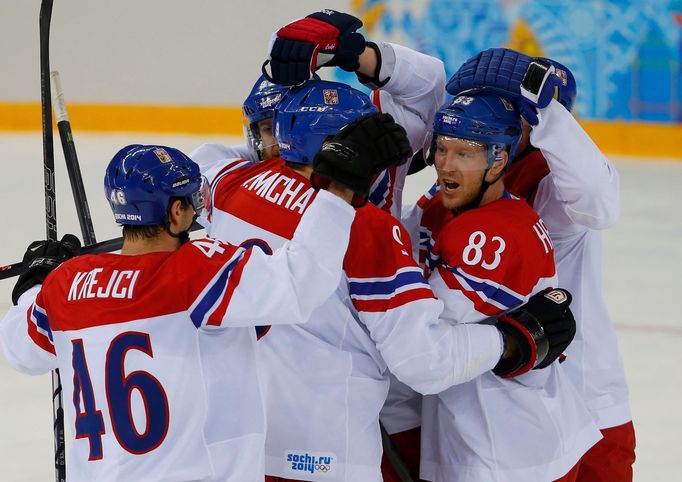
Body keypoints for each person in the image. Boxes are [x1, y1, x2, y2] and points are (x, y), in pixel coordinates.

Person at [194, 76, 576, 482]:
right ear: (340, 148)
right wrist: (513, 339)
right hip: (324, 451)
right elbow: (423, 362)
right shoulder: (365, 227)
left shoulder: (232, 183)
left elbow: (203, 161)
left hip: (236, 440)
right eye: (363, 137)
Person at [0, 136, 399, 482]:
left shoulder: (69, 284)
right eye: (192, 201)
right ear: (176, 213)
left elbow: (21, 351)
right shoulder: (194, 273)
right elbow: (302, 280)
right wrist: (338, 196)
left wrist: (35, 282)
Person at [448, 47, 636, 480]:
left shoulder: (555, 182)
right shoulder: (466, 180)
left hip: (587, 403)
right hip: (504, 411)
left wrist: (546, 110)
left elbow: (598, 203)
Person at [406, 94, 602, 482]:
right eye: (442, 149)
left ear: (498, 160)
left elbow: (418, 341)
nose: (445, 163)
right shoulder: (443, 204)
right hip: (493, 436)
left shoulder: (496, 234)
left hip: (507, 449)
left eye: (465, 153)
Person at [261, 9, 445, 217]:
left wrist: (351, 52)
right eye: (267, 128)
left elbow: (430, 79)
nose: (275, 143)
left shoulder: (234, 179)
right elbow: (430, 80)